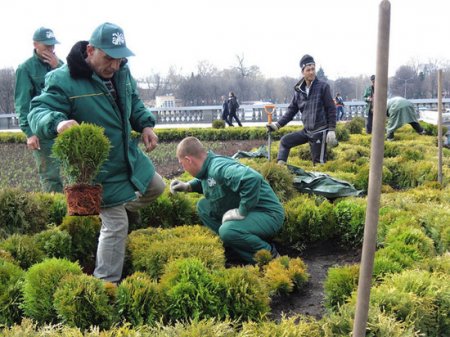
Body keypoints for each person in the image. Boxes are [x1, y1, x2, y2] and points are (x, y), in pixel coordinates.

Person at [28, 22, 165, 283]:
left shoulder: (122, 73)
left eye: (119, 58)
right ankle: (105, 285)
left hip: (128, 157)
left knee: (157, 187)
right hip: (98, 168)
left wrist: (145, 124)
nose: (114, 65)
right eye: (108, 58)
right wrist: (58, 123)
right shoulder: (64, 79)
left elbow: (133, 101)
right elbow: (38, 111)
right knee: (117, 225)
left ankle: (107, 218)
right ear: (91, 50)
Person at [170, 137, 284, 264]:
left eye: (182, 164)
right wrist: (188, 186)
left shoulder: (218, 167)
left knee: (227, 231)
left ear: (188, 160)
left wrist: (241, 212)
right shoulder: (208, 167)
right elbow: (209, 181)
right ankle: (236, 245)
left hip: (268, 214)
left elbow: (252, 178)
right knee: (203, 206)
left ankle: (270, 256)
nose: (183, 168)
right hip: (255, 212)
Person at [14, 27, 64, 192]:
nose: (50, 50)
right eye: (46, 46)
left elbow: (72, 86)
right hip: (42, 131)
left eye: (52, 46)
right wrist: (29, 133)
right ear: (35, 44)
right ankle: (57, 214)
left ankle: (77, 214)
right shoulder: (26, 69)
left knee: (77, 173)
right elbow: (22, 104)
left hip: (64, 126)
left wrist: (57, 67)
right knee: (50, 176)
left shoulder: (61, 65)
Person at [266, 54, 337, 165]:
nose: (311, 72)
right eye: (308, 70)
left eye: (313, 69)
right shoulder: (299, 91)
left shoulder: (323, 87)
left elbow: (331, 109)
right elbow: (291, 111)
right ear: (302, 72)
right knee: (285, 141)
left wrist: (332, 129)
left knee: (318, 164)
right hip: (307, 131)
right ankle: (280, 169)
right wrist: (277, 125)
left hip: (320, 132)